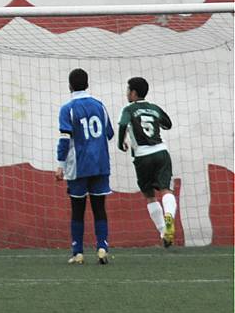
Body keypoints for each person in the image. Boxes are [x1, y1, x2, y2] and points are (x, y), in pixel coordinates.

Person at [55, 69, 114, 265]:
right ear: (87, 84)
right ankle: (102, 248)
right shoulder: (100, 106)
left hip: (78, 166)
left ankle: (78, 253)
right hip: (100, 165)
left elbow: (65, 139)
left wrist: (60, 165)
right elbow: (110, 133)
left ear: (70, 85)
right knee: (99, 208)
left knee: (77, 210)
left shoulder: (67, 109)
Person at [117, 77, 176, 248]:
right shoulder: (154, 108)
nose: (127, 93)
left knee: (150, 196)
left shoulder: (129, 109)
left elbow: (122, 125)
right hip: (161, 152)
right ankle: (169, 216)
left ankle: (163, 231)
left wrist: (121, 142)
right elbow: (168, 124)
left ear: (134, 93)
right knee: (166, 190)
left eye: (128, 90)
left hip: (143, 156)